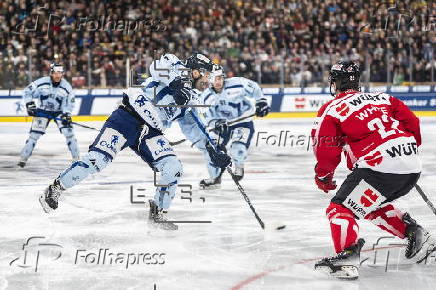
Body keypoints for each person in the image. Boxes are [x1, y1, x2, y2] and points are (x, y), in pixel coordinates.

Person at [39, 53, 231, 230]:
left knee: (173, 167)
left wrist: (212, 150)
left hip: (151, 133)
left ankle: (158, 212)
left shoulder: (191, 100)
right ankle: (55, 188)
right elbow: (157, 66)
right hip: (127, 117)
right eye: (206, 75)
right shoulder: (174, 65)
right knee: (97, 160)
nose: (208, 80)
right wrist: (177, 82)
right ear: (196, 71)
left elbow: (195, 129)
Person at [312, 61, 435, 279]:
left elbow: (326, 146)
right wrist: (406, 151)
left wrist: (324, 176)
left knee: (339, 209)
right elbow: (412, 123)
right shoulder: (383, 97)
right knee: (366, 205)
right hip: (410, 162)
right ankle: (414, 233)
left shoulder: (331, 108)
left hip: (379, 167)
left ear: (335, 81)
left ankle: (347, 257)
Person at [197, 65, 270, 189]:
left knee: (237, 148)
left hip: (243, 121)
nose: (218, 81)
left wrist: (261, 101)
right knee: (211, 150)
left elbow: (255, 88)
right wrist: (215, 124)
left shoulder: (238, 83)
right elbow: (205, 117)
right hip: (222, 126)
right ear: (209, 80)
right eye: (215, 79)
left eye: (220, 78)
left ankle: (239, 165)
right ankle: (215, 178)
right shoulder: (206, 97)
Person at [18, 62, 78, 167]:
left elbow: (70, 102)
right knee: (34, 136)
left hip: (59, 112)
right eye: (56, 73)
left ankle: (76, 159)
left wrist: (67, 114)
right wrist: (29, 104)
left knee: (69, 134)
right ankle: (23, 159)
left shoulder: (67, 86)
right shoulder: (41, 82)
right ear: (51, 73)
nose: (58, 75)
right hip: (42, 111)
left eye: (60, 73)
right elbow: (27, 91)